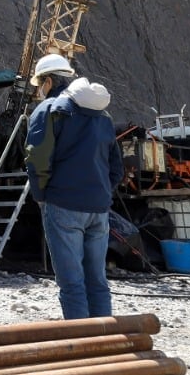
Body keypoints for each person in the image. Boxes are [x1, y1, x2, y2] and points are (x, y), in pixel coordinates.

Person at [23, 54, 123, 320]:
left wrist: (42, 196)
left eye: (39, 84)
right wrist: (102, 193)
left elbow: (37, 159)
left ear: (49, 80)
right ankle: (106, 345)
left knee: (72, 284)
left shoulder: (48, 110)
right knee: (97, 281)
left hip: (63, 205)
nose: (38, 90)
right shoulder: (103, 115)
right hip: (99, 209)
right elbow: (116, 167)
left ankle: (83, 346)